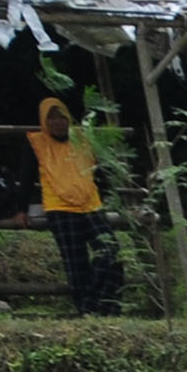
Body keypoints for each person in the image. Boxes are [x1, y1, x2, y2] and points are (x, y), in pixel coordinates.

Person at [33, 96, 123, 318]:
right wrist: (19, 209)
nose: (57, 122)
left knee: (110, 251)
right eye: (51, 118)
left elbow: (100, 172)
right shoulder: (38, 143)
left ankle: (104, 305)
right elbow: (26, 178)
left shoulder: (83, 139)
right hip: (59, 207)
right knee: (76, 261)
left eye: (61, 117)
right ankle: (87, 309)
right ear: (44, 121)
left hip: (91, 204)